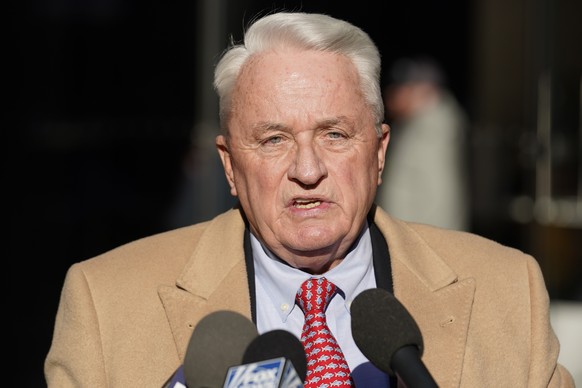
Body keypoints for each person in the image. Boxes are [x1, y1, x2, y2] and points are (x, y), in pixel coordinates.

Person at [44, 11, 574, 387]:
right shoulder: (106, 304)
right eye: (274, 140)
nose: (307, 170)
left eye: (335, 135)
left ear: (380, 150)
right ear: (229, 166)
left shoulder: (508, 291)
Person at [376, 57, 471, 231]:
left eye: (401, 88)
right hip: (410, 236)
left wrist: (427, 244)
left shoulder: (434, 129)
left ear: (424, 90)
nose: (391, 96)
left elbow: (440, 196)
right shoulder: (416, 123)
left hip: (421, 240)